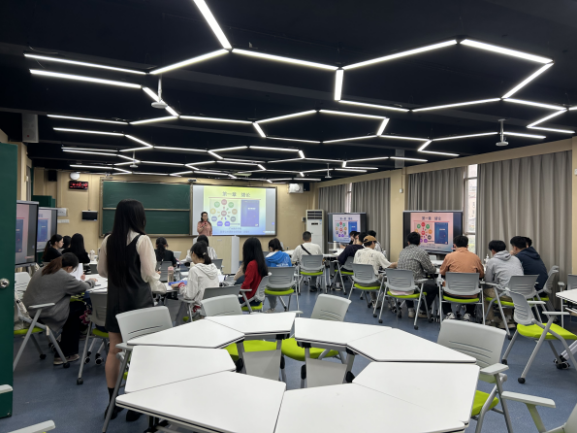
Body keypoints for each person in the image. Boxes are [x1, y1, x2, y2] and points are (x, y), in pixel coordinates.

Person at [98, 199, 164, 422]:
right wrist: (160, 284)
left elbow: (102, 271)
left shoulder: (108, 240)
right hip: (138, 302)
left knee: (113, 351)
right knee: (140, 353)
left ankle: (112, 403)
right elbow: (149, 274)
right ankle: (136, 404)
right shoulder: (142, 240)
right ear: (138, 217)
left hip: (115, 301)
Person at [23, 253, 96, 365]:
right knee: (78, 308)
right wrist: (91, 281)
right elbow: (83, 287)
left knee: (74, 306)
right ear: (69, 268)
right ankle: (66, 353)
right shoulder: (62, 275)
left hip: (30, 312)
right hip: (45, 313)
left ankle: (67, 341)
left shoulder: (44, 269)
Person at [439, 235, 484, 321]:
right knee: (476, 286)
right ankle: (469, 313)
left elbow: (442, 272)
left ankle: (449, 313)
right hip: (471, 294)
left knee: (440, 288)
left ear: (454, 245)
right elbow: (481, 275)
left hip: (451, 292)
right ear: (467, 246)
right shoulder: (475, 257)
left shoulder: (449, 256)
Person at [396, 232, 438, 319]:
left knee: (407, 281)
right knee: (434, 289)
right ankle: (422, 311)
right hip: (415, 286)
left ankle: (410, 310)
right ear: (419, 242)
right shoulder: (422, 252)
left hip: (400, 284)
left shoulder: (402, 251)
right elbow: (431, 270)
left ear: (408, 242)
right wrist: (433, 267)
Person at [484, 240, 524, 327]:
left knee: (484, 292)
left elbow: (488, 281)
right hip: (521, 294)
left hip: (506, 294)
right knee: (505, 287)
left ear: (493, 251)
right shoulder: (515, 259)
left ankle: (490, 320)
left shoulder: (492, 261)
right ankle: (508, 319)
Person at [353, 235, 396, 305]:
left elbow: (355, 265)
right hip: (371, 282)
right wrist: (399, 262)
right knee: (387, 278)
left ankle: (374, 301)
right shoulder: (377, 254)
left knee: (372, 275)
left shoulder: (358, 252)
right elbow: (390, 266)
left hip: (358, 281)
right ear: (373, 243)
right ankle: (391, 302)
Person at [180, 241, 219, 312]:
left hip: (200, 309)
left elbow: (189, 295)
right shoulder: (214, 268)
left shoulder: (194, 270)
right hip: (214, 307)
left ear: (193, 254)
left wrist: (181, 286)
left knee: (181, 306)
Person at [239, 237, 269, 306]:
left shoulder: (251, 265)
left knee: (226, 301)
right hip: (257, 299)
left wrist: (236, 291)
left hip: (249, 299)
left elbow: (246, 286)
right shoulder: (260, 263)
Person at [264, 238, 292, 313]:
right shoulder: (287, 256)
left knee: (267, 281)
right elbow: (290, 270)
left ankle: (272, 306)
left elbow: (264, 273)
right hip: (287, 285)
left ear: (271, 248)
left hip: (272, 286)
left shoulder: (267, 259)